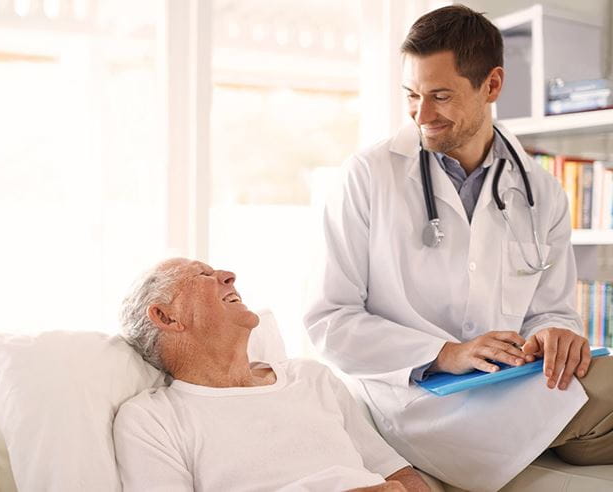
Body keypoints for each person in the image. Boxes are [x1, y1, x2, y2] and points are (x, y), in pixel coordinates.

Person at [304, 5, 613, 491]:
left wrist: (555, 332)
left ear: (491, 85)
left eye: (440, 96)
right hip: (412, 400)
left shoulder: (542, 190)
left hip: (510, 384)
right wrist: (443, 352)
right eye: (411, 95)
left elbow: (552, 310)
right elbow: (329, 320)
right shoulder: (367, 177)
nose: (421, 115)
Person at [113, 258, 431, 492]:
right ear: (165, 316)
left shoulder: (311, 378)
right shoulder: (153, 419)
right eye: (203, 274)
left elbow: (399, 475)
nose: (228, 275)